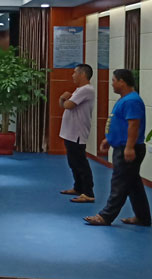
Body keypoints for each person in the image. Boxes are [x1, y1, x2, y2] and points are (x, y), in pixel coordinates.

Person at [84, 69, 150, 226]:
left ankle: (105, 216)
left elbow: (133, 125)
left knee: (119, 183)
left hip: (128, 148)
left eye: (113, 80)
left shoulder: (132, 101)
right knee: (133, 185)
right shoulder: (124, 99)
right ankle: (143, 217)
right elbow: (120, 123)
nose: (112, 84)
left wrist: (129, 147)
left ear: (122, 82)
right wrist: (109, 139)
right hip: (122, 146)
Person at [58, 63, 95, 203]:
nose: (72, 75)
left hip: (77, 133)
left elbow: (68, 105)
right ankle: (78, 187)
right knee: (73, 162)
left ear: (82, 74)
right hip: (70, 132)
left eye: (75, 72)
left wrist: (64, 99)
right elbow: (63, 104)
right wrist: (62, 99)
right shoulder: (79, 90)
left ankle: (88, 192)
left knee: (80, 163)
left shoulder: (86, 90)